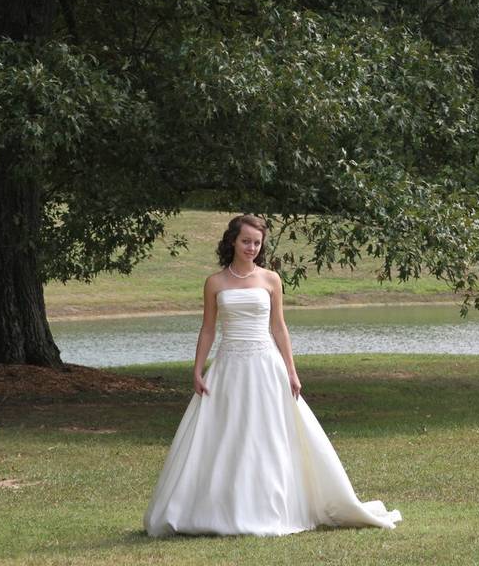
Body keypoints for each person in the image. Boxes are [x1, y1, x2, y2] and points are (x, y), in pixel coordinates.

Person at [144, 214, 401, 536]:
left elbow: (279, 327)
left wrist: (292, 371)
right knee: (227, 436)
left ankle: (272, 505)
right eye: (245, 241)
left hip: (266, 365)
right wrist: (197, 369)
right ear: (232, 242)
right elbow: (208, 329)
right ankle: (221, 508)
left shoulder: (271, 279)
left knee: (269, 436)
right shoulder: (215, 282)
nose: (251, 247)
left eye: (256, 242)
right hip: (229, 367)